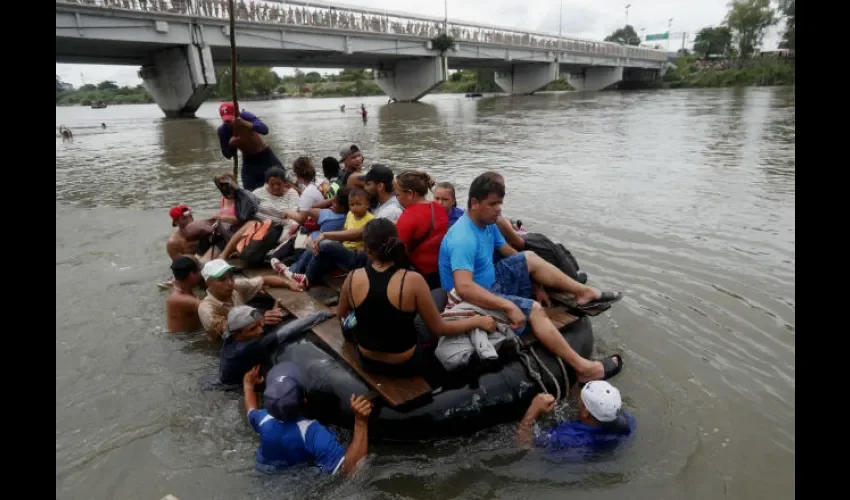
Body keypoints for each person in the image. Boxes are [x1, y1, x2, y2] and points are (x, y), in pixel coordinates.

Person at [438, 172, 624, 383]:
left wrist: (537, 284)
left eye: (500, 203)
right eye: (492, 204)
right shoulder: (463, 237)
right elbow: (464, 288)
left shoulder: (488, 224)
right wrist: (508, 306)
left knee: (529, 257)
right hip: (469, 300)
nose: (498, 209)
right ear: (474, 203)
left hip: (490, 282)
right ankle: (584, 368)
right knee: (534, 310)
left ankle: (583, 292)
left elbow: (511, 253)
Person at [337, 218, 497, 376]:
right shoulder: (413, 280)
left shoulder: (352, 277)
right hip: (405, 362)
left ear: (367, 250)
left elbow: (341, 315)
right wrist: (477, 321)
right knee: (440, 293)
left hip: (367, 360)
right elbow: (440, 328)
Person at [243, 362, 373, 475]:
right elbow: (350, 470)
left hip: (263, 473)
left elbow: (250, 411)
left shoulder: (262, 418)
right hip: (299, 481)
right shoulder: (312, 433)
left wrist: (248, 385)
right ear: (304, 400)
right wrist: (361, 422)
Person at [273, 188, 373, 286]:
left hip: (355, 256)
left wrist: (325, 236)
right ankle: (294, 271)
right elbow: (344, 232)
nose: (354, 207)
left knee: (323, 243)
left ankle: (300, 275)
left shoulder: (371, 220)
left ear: (367, 204)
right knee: (316, 245)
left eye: (358, 204)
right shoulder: (350, 214)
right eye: (352, 204)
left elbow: (354, 235)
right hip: (343, 250)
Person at [517, 382, 636, 458]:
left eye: (581, 398)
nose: (579, 397)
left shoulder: (566, 439)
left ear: (585, 413)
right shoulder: (628, 420)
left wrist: (534, 409)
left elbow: (525, 445)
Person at [197, 259, 303, 341]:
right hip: (226, 349)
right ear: (208, 283)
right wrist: (260, 319)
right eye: (222, 279)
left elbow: (264, 280)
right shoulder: (206, 309)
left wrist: (289, 284)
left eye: (231, 277)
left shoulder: (235, 287)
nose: (229, 282)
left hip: (251, 334)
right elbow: (230, 330)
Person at [394, 171, 449, 290]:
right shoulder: (438, 207)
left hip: (418, 275)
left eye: (397, 194)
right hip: (439, 272)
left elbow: (398, 251)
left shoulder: (408, 216)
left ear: (409, 193)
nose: (397, 198)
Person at [217, 102, 283, 191]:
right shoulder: (223, 130)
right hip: (249, 161)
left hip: (266, 156)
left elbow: (264, 129)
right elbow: (227, 154)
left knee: (284, 183)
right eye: (227, 121)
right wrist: (231, 145)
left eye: (231, 119)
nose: (230, 123)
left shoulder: (245, 115)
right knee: (249, 191)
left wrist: (244, 122)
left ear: (237, 113)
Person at [252, 166, 300, 230]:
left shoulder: (292, 194)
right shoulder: (258, 193)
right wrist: (281, 220)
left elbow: (291, 219)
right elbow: (250, 211)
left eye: (279, 184)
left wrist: (262, 216)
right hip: (257, 224)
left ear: (284, 183)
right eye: (272, 184)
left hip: (278, 229)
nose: (276, 187)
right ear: (267, 183)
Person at [166, 256, 204, 333]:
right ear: (191, 275)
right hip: (185, 339)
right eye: (199, 271)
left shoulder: (177, 287)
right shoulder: (185, 300)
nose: (201, 274)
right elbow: (211, 308)